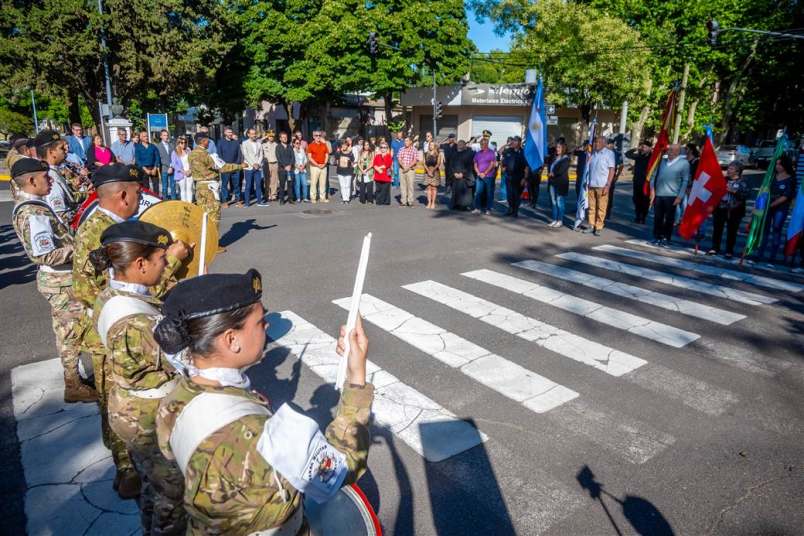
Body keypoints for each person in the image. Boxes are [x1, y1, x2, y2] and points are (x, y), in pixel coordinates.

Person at [152, 271, 373, 534]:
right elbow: (341, 467)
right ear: (231, 340)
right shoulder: (258, 437)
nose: (267, 327)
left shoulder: (175, 400)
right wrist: (356, 377)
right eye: (259, 322)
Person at [72, 164, 182, 499]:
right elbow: (126, 288)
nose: (141, 197)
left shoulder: (106, 227)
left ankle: (132, 470)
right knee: (121, 402)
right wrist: (172, 262)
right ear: (123, 195)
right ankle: (129, 471)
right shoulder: (106, 234)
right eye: (137, 192)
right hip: (114, 334)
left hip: (108, 326)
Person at [91, 221, 187, 534]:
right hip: (149, 417)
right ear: (140, 263)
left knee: (151, 483)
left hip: (128, 408)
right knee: (170, 495)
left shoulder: (110, 294)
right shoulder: (136, 321)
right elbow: (183, 362)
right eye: (161, 260)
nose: (165, 265)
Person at [10, 158, 97, 403]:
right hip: (60, 280)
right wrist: (80, 249)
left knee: (74, 329)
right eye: (45, 177)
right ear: (31, 180)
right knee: (69, 333)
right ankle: (73, 385)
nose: (50, 181)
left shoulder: (36, 205)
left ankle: (75, 380)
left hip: (61, 278)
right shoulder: (32, 212)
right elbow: (43, 254)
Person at [191, 132, 247, 226]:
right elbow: (223, 167)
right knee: (213, 215)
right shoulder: (206, 155)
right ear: (203, 141)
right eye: (207, 140)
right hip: (209, 188)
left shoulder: (191, 154)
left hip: (199, 186)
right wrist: (240, 166)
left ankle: (203, 239)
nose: (209, 142)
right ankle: (213, 239)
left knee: (202, 215)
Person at [36, 130, 85, 223]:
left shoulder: (53, 171)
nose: (66, 151)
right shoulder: (49, 177)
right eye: (62, 148)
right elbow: (60, 216)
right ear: (51, 152)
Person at [757, 154, 796, 262]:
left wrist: (771, 205)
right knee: (765, 231)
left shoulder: (791, 179)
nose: (777, 166)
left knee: (776, 230)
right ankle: (759, 255)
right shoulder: (771, 177)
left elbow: (786, 196)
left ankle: (772, 258)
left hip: (780, 209)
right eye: (776, 164)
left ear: (785, 165)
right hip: (767, 207)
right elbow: (764, 190)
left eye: (780, 164)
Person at [650, 144, 690, 246]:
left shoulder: (684, 163)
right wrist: (652, 190)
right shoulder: (662, 161)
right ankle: (657, 236)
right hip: (659, 193)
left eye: (672, 150)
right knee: (658, 217)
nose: (670, 152)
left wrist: (680, 196)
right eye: (669, 150)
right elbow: (654, 175)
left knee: (669, 218)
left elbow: (685, 181)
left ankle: (666, 237)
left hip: (672, 195)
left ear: (678, 152)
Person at [708, 161, 749, 258]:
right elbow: (714, 191)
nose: (728, 170)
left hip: (735, 211)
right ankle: (715, 248)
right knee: (717, 229)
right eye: (728, 168)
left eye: (731, 169)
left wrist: (734, 191)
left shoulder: (743, 182)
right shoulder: (723, 179)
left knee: (732, 231)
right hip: (720, 209)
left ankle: (729, 251)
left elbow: (746, 195)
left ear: (737, 171)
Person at [584, 136, 616, 236]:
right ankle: (591, 225)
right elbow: (588, 167)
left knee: (601, 207)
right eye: (595, 142)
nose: (596, 144)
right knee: (591, 207)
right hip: (591, 184)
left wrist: (608, 185)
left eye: (598, 142)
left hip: (602, 185)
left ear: (604, 143)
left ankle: (598, 226)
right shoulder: (593, 153)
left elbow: (611, 170)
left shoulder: (609, 154)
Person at [625, 140, 652, 223]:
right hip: (637, 181)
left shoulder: (652, 157)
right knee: (636, 199)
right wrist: (636, 148)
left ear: (649, 148)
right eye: (642, 147)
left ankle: (643, 216)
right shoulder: (639, 156)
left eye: (645, 147)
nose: (643, 149)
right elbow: (627, 154)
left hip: (646, 183)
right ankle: (637, 216)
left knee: (645, 200)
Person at [501, 136, 528, 218]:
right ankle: (510, 209)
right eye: (513, 141)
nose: (513, 142)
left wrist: (525, 178)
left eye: (515, 141)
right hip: (509, 176)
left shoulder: (523, 153)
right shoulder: (509, 150)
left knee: (516, 195)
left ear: (519, 143)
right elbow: (500, 151)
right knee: (509, 195)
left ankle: (515, 211)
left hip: (519, 177)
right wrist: (507, 144)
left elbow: (527, 167)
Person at [218, 127, 243, 207]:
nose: (230, 134)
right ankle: (225, 201)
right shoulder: (221, 142)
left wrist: (237, 164)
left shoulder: (235, 142)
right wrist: (223, 165)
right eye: (229, 132)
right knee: (224, 185)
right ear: (225, 133)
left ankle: (238, 200)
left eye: (231, 132)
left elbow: (239, 154)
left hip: (235, 167)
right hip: (225, 167)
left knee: (236, 185)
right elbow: (219, 154)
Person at [241, 128, 267, 207]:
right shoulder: (244, 143)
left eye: (254, 133)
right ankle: (247, 203)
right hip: (249, 167)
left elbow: (261, 155)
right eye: (252, 133)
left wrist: (258, 164)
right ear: (248, 134)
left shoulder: (259, 143)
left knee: (259, 184)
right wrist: (253, 164)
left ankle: (259, 202)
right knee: (248, 185)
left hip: (258, 167)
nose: (253, 135)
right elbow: (246, 155)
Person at [548, 141, 571, 227]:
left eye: (559, 147)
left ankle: (560, 220)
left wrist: (552, 173)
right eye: (557, 147)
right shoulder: (555, 158)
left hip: (561, 184)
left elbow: (561, 170)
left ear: (563, 149)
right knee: (554, 202)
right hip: (552, 183)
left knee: (559, 202)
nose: (557, 149)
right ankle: (554, 219)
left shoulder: (566, 158)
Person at [473, 137, 497, 215]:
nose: (482, 145)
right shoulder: (478, 153)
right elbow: (475, 164)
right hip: (479, 176)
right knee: (478, 192)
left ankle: (488, 209)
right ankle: (477, 208)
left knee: (489, 193)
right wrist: (478, 173)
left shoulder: (491, 152)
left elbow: (492, 164)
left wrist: (485, 173)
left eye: (483, 144)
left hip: (488, 176)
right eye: (481, 144)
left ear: (487, 144)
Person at [451, 140, 475, 211]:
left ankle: (464, 206)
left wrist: (463, 174)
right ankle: (456, 204)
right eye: (458, 144)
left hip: (465, 176)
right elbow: (451, 165)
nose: (459, 146)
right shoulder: (454, 154)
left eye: (461, 144)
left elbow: (470, 165)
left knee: (465, 192)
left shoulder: (469, 154)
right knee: (456, 191)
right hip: (456, 176)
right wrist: (454, 173)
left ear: (465, 145)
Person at [605, 135, 625, 219]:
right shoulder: (604, 152)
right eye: (608, 144)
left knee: (609, 195)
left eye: (610, 144)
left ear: (613, 144)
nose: (608, 145)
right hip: (602, 176)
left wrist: (617, 176)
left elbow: (621, 165)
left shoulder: (616, 153)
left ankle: (608, 211)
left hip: (611, 176)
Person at [308, 131, 330, 203]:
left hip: (323, 166)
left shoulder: (324, 144)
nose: (318, 137)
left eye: (319, 135)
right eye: (316, 135)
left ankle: (322, 198)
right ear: (313, 136)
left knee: (323, 183)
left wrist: (324, 163)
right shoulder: (311, 145)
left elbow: (327, 155)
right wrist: (317, 165)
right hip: (314, 167)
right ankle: (313, 198)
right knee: (314, 183)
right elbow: (310, 157)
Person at [171, 136, 194, 203]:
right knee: (183, 190)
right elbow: (174, 164)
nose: (183, 144)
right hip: (181, 173)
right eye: (181, 142)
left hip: (189, 172)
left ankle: (189, 203)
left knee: (189, 189)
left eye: (185, 142)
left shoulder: (189, 150)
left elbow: (192, 161)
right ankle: (184, 204)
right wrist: (183, 171)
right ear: (178, 143)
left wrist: (190, 170)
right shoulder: (174, 152)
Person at [397, 136, 418, 207]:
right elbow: (399, 159)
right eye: (405, 141)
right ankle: (403, 201)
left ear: (410, 142)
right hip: (402, 169)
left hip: (410, 170)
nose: (405, 142)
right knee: (403, 186)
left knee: (410, 186)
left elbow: (415, 160)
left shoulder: (414, 150)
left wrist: (408, 167)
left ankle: (410, 201)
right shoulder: (401, 149)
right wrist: (403, 167)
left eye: (407, 141)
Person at [156, 130, 176, 200]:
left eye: (167, 135)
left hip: (172, 168)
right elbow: (159, 159)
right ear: (161, 136)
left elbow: (174, 157)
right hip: (164, 168)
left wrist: (171, 166)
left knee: (173, 185)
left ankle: (174, 200)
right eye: (164, 135)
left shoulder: (171, 145)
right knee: (164, 186)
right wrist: (168, 166)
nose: (166, 137)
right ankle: (165, 200)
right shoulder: (158, 146)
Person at [276, 131, 295, 204]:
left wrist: (290, 165)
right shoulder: (278, 147)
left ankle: (290, 199)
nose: (285, 139)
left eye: (286, 137)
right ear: (280, 138)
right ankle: (282, 199)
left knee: (290, 185)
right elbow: (279, 158)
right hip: (282, 169)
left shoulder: (290, 147)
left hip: (290, 169)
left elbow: (293, 157)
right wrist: (285, 166)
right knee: (282, 185)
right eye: (283, 137)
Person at [422, 141, 443, 209]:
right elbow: (424, 163)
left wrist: (432, 171)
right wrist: (428, 171)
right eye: (430, 145)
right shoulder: (425, 153)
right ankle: (429, 202)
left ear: (435, 146)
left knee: (434, 188)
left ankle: (433, 202)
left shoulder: (438, 154)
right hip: (427, 171)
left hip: (435, 171)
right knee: (428, 187)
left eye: (432, 145)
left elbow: (438, 164)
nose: (431, 146)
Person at [336, 138, 355, 204]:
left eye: (345, 145)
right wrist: (338, 151)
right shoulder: (339, 152)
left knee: (347, 186)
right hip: (340, 171)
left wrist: (350, 154)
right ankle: (344, 199)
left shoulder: (350, 153)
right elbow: (336, 158)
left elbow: (353, 160)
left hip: (348, 171)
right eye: (342, 145)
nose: (344, 146)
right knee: (342, 186)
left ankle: (347, 199)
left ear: (347, 146)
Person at [261, 130, 279, 202]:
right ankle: (267, 195)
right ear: (267, 137)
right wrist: (264, 137)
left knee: (274, 180)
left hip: (275, 163)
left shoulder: (276, 145)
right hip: (267, 163)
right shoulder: (264, 144)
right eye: (269, 136)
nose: (271, 138)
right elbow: (258, 142)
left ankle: (274, 195)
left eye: (272, 136)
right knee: (267, 180)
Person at [292, 138, 309, 202]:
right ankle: (298, 197)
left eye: (299, 143)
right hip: (296, 170)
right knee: (297, 185)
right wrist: (299, 168)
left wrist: (303, 166)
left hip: (303, 169)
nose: (298, 144)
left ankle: (305, 197)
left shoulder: (302, 150)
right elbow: (293, 161)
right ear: (293, 144)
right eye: (297, 143)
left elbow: (305, 159)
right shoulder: (292, 151)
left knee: (304, 184)